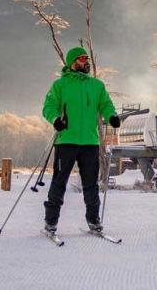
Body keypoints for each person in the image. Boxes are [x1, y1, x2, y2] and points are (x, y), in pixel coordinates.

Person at [41, 47, 120, 234]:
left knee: (91, 184)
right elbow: (48, 107)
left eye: (87, 58)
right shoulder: (60, 85)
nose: (86, 61)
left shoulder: (97, 85)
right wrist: (55, 120)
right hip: (66, 140)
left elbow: (106, 105)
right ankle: (50, 222)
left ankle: (94, 221)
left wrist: (112, 116)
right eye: (82, 58)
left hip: (90, 142)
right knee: (59, 182)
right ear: (72, 62)